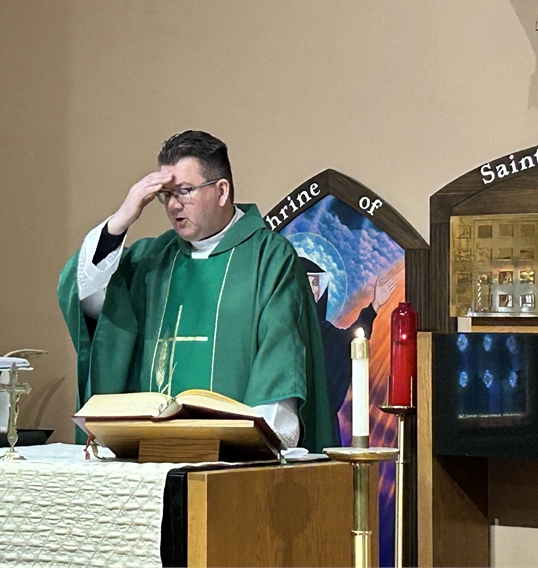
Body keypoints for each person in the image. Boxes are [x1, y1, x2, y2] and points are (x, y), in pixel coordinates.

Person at [57, 130, 334, 451]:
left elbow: (279, 360)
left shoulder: (268, 257)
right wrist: (119, 222)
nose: (174, 205)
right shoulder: (151, 260)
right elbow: (90, 302)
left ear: (221, 191)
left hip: (231, 458)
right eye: (166, 194)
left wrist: (256, 446)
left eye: (185, 191)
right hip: (149, 454)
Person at [301, 257, 396, 444]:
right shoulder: (281, 330)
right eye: (307, 283)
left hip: (323, 430)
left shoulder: (326, 333)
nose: (312, 290)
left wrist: (375, 305)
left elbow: (352, 341)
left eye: (316, 284)